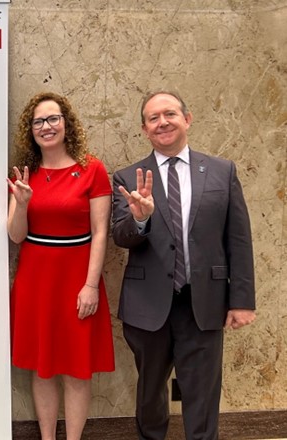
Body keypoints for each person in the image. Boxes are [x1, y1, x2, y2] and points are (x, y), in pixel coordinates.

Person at [112, 90, 256, 440]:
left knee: (203, 394)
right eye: (153, 118)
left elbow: (238, 238)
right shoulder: (127, 178)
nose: (162, 122)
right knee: (149, 394)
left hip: (205, 302)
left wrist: (241, 300)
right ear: (144, 129)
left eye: (170, 114)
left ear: (187, 119)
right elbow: (121, 236)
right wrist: (140, 220)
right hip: (147, 306)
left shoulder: (222, 171)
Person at [8, 92, 115, 440]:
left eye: (53, 118)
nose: (46, 126)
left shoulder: (92, 170)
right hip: (35, 279)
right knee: (42, 368)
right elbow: (16, 236)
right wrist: (21, 203)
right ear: (30, 130)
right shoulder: (25, 174)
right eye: (39, 121)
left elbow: (100, 233)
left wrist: (90, 285)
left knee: (76, 370)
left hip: (77, 278)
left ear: (66, 123)